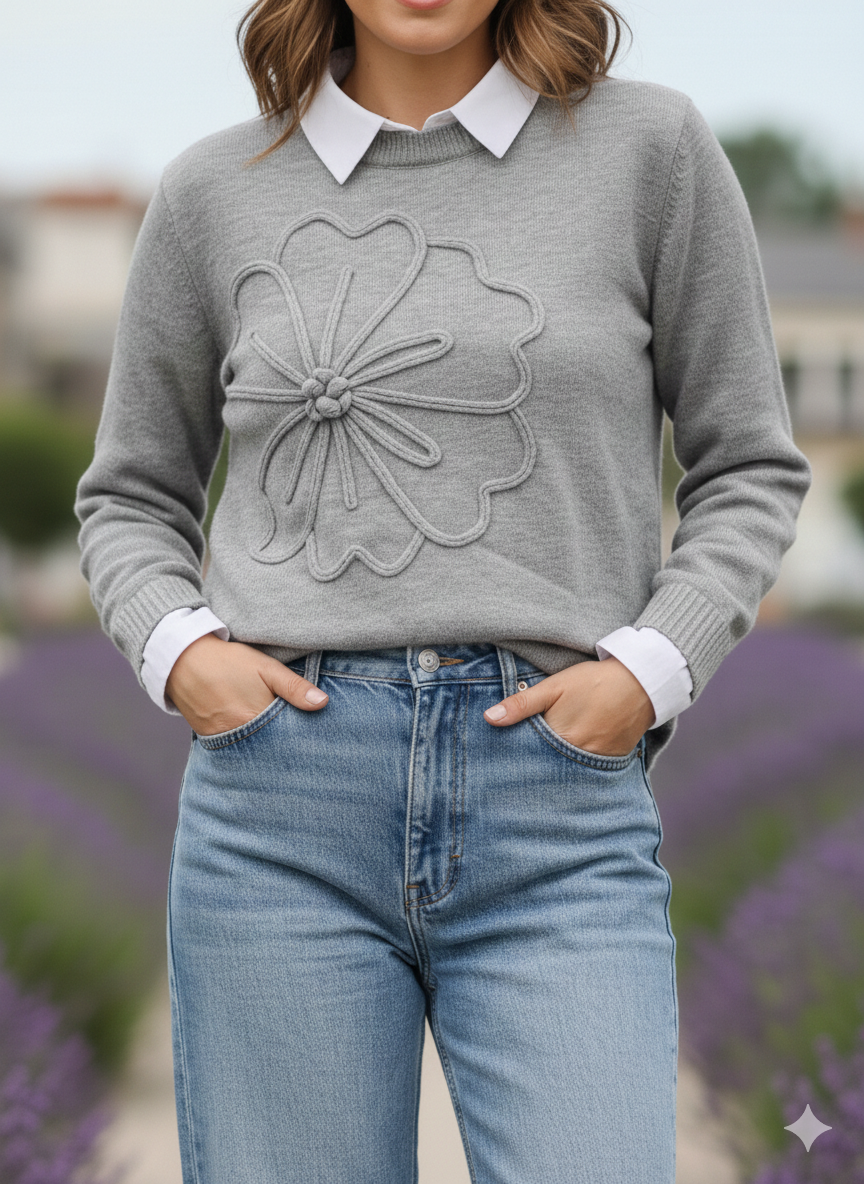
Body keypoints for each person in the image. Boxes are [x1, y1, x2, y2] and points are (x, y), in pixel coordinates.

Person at [75, 0, 811, 1177]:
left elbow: (751, 464)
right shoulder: (213, 190)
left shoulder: (652, 153)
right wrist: (186, 658)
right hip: (281, 815)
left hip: (559, 812)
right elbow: (128, 495)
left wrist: (647, 673)